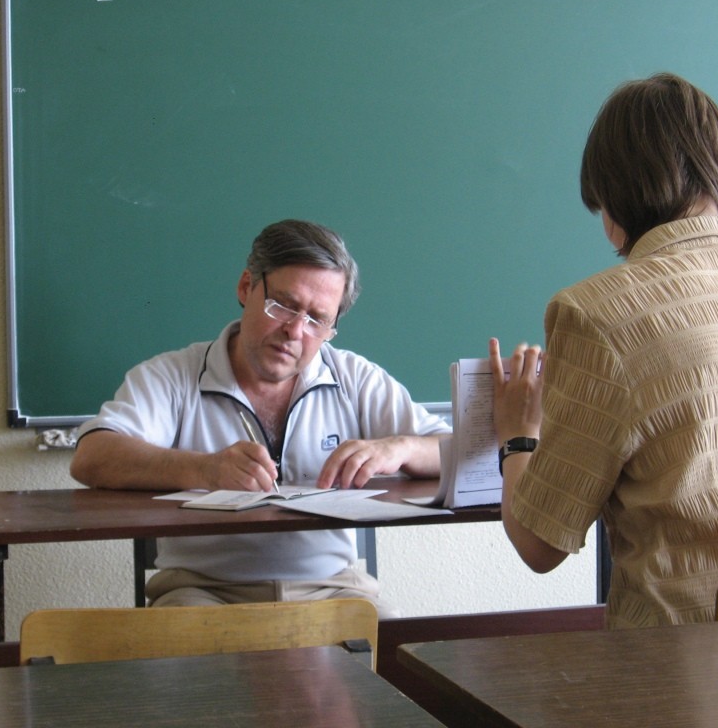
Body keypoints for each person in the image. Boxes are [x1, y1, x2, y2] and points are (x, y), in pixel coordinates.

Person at [489, 73, 718, 628]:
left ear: (612, 200)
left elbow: (539, 545)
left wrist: (517, 436)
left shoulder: (596, 313)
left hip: (680, 679)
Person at [71, 219, 449, 616]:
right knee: (181, 667)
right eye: (284, 305)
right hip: (204, 591)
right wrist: (206, 470)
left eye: (318, 319)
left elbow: (460, 451)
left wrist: (400, 447)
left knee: (391, 657)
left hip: (332, 589)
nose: (295, 331)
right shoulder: (172, 376)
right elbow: (93, 456)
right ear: (246, 287)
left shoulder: (355, 378)